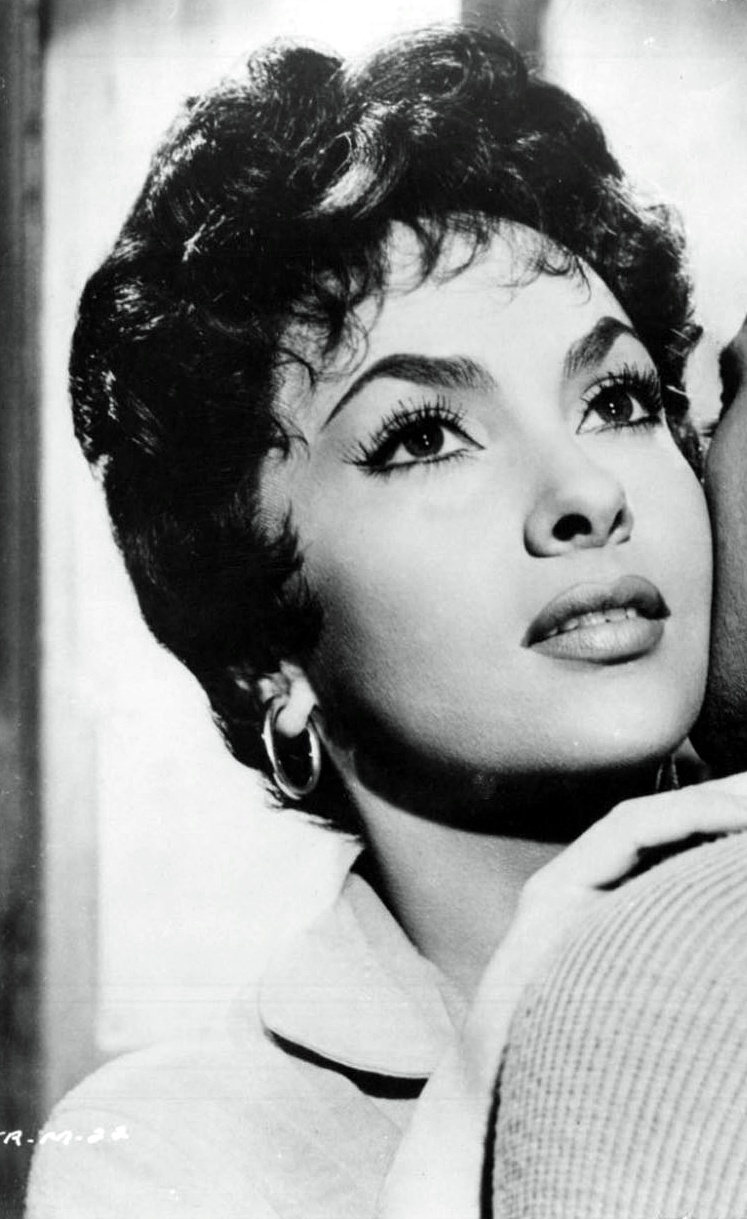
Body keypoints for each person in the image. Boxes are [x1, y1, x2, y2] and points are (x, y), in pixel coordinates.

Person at [25, 25, 740, 1219]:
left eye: (616, 398)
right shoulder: (166, 1153)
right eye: (423, 437)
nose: (585, 492)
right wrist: (515, 1047)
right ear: (263, 652)